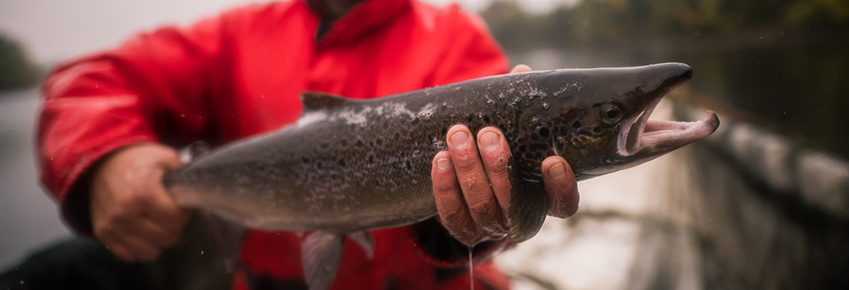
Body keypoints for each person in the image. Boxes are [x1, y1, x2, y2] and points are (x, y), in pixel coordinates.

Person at [35, 0, 581, 289]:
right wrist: (105, 156)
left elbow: (488, 205)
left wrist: (471, 229)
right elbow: (83, 85)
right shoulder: (231, 37)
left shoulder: (457, 38)